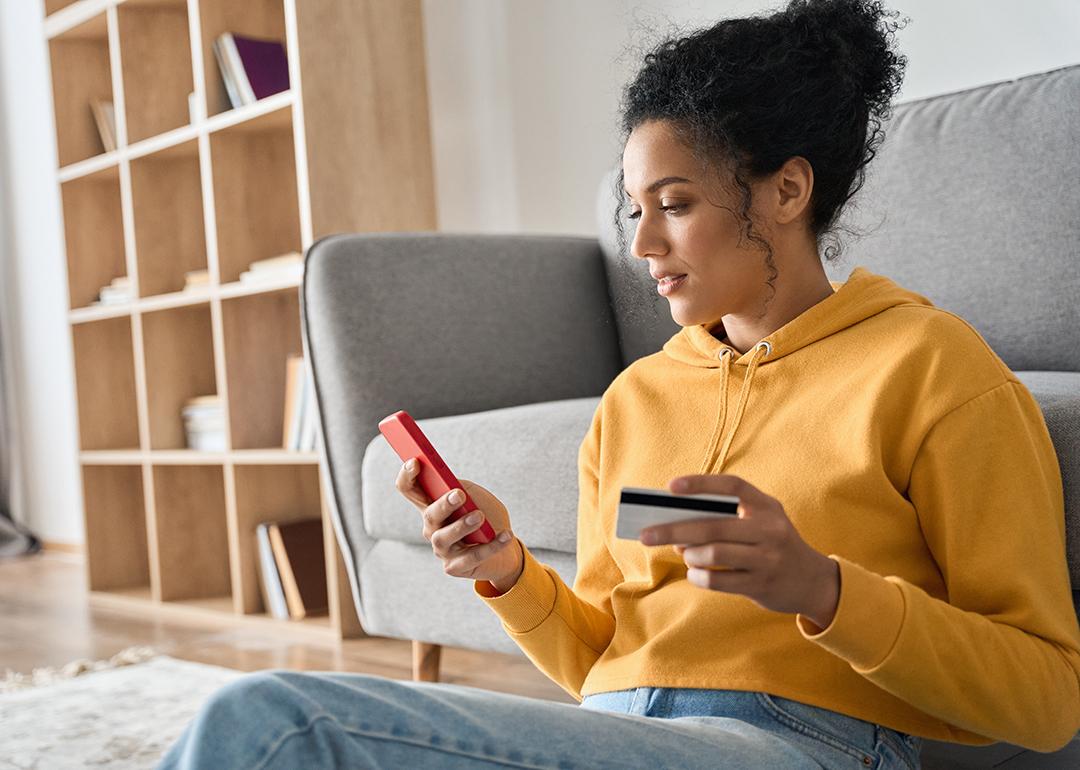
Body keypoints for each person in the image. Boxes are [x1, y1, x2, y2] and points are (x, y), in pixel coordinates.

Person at [159, 1, 1080, 767]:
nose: (642, 246)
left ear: (788, 192)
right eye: (634, 211)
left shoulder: (933, 371)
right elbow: (605, 656)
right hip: (619, 732)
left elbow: (1046, 700)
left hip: (808, 743)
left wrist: (825, 591)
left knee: (276, 726)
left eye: (675, 206)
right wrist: (507, 572)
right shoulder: (637, 401)